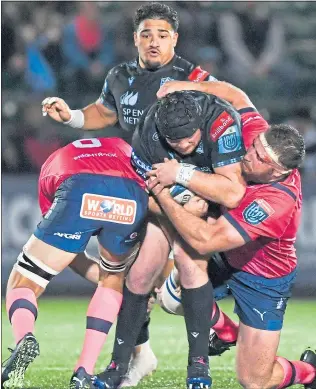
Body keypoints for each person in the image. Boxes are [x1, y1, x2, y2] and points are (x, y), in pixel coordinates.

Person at [41, 3, 216, 384]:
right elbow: (104, 114)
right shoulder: (120, 76)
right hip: (142, 187)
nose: (154, 42)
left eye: (162, 34)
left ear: (175, 39)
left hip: (186, 187)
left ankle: (200, 362)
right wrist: (70, 116)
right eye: (146, 34)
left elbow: (222, 113)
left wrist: (203, 183)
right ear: (135, 38)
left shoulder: (194, 76)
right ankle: (133, 360)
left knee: (188, 267)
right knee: (133, 277)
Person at [146, 89, 316, 389]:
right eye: (253, 147)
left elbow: (206, 240)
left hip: (263, 279)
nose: (247, 155)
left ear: (278, 173)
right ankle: (225, 331)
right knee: (172, 299)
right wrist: (184, 85)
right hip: (226, 257)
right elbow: (236, 95)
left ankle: (309, 372)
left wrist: (169, 186)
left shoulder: (276, 202)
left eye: (259, 158)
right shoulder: (260, 140)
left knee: (254, 380)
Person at [93, 90, 246, 389]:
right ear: (163, 136)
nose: (187, 145)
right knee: (139, 275)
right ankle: (117, 366)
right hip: (167, 202)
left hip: (216, 205)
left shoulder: (221, 122)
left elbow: (232, 193)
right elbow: (147, 195)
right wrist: (180, 206)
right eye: (177, 143)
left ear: (200, 124)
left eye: (192, 139)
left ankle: (198, 367)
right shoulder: (147, 135)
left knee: (190, 264)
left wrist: (180, 172)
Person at [1, 137, 149, 389]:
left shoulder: (54, 163)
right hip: (130, 194)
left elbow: (67, 253)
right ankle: (83, 370)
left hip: (76, 187)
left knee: (24, 280)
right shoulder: (122, 146)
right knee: (112, 279)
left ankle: (24, 337)